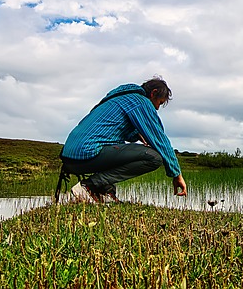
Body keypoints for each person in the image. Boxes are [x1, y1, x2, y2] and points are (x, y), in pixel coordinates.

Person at [59, 77, 187, 203]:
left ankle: (104, 190)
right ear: (153, 93)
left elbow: (115, 131)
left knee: (118, 146)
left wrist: (136, 134)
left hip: (70, 158)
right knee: (154, 157)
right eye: (159, 102)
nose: (157, 108)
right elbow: (160, 140)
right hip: (86, 153)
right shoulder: (140, 101)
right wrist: (177, 174)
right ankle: (89, 186)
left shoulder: (121, 98)